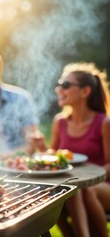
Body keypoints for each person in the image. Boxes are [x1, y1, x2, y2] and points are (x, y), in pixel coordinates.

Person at [31, 62, 110, 237]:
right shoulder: (59, 122)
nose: (59, 89)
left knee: (80, 188)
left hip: (102, 186)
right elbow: (55, 158)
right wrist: (41, 147)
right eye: (59, 84)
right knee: (58, 191)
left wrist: (86, 176)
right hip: (74, 186)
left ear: (85, 91)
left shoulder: (104, 123)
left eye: (65, 85)